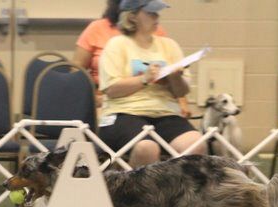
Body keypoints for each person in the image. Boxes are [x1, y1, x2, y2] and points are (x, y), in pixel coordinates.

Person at [98, 0, 205, 166]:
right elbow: (111, 89)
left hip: (165, 113)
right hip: (124, 113)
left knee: (195, 144)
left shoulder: (169, 45)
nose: (157, 17)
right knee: (146, 148)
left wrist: (175, 77)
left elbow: (181, 92)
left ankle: (175, 190)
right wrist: (144, 79)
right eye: (151, 12)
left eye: (157, 13)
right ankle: (132, 189)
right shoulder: (116, 45)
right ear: (132, 16)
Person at [73, 0, 190, 117]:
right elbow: (76, 71)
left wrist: (182, 101)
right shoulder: (98, 29)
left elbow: (170, 67)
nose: (156, 17)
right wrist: (92, 99)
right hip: (110, 99)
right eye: (151, 12)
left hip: (158, 101)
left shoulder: (157, 33)